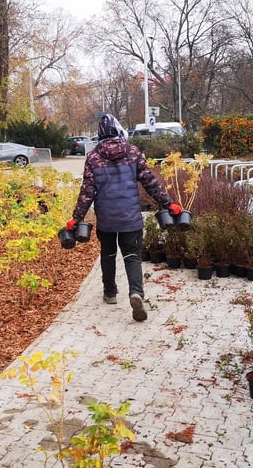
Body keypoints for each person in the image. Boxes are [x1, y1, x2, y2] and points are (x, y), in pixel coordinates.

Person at [67, 114, 182, 322]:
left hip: (107, 218)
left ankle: (110, 293)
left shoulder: (93, 157)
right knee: (132, 256)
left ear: (100, 133)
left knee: (108, 253)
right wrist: (169, 203)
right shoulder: (132, 151)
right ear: (119, 130)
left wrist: (76, 218)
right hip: (130, 216)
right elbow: (150, 182)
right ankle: (136, 293)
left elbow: (87, 191)